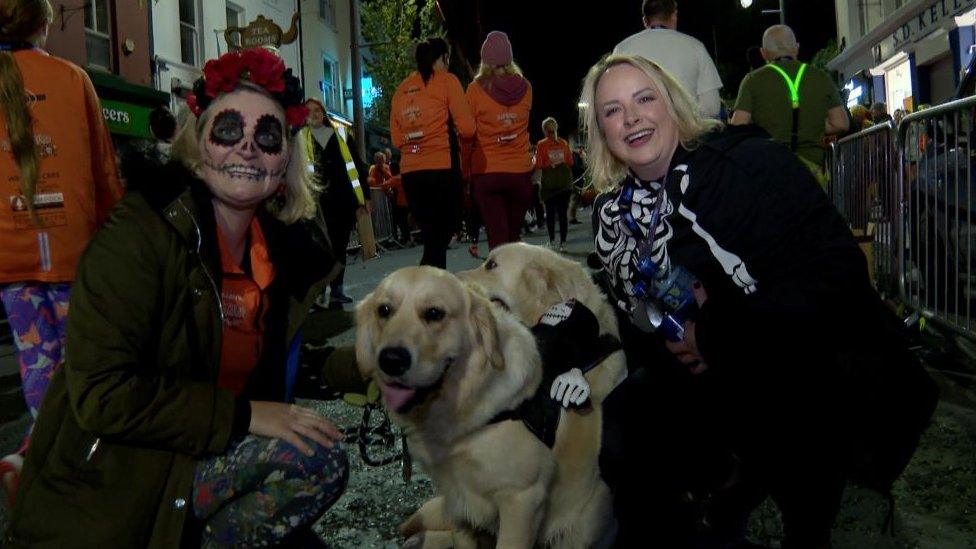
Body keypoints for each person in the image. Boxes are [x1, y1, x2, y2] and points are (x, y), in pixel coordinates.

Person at [581, 54, 936, 548]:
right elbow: (636, 312)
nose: (633, 117)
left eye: (645, 99)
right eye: (613, 110)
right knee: (622, 427)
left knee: (784, 408)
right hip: (708, 371)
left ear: (672, 105)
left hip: (809, 360)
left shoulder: (746, 165)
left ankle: (806, 523)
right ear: (602, 132)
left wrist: (714, 331)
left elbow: (835, 280)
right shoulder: (615, 218)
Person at [7, 48, 350, 546]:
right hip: (123, 480)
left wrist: (374, 364)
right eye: (229, 129)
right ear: (198, 138)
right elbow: (102, 394)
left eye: (268, 134)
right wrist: (247, 416)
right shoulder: (139, 235)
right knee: (313, 459)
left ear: (286, 158)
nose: (248, 147)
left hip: (204, 455)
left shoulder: (273, 249)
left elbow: (259, 360)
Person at [0, 0, 123, 505]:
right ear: (44, 25)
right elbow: (104, 171)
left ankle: (40, 455)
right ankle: (73, 463)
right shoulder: (73, 80)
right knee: (84, 368)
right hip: (76, 253)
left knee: (38, 369)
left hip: (12, 260)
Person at [390, 37, 476, 268]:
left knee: (432, 238)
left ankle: (431, 288)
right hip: (442, 168)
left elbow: (397, 140)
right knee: (441, 236)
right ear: (444, 58)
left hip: (412, 173)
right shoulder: (447, 81)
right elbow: (468, 129)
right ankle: (427, 289)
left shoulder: (401, 90)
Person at [731, 24, 849, 186]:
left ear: (763, 53)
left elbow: (738, 128)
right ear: (796, 48)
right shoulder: (820, 77)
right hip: (812, 172)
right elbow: (841, 123)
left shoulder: (753, 81)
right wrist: (812, 126)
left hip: (770, 171)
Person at [465, 30, 534, 251]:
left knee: (497, 239)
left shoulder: (475, 90)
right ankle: (514, 283)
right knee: (512, 239)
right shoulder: (526, 88)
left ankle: (499, 283)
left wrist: (465, 169)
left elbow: (467, 132)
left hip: (488, 172)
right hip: (520, 173)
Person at [303, 98, 371, 309]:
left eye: (317, 110)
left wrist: (365, 197)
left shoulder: (341, 135)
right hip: (317, 203)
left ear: (324, 113)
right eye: (309, 111)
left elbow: (358, 167)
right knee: (320, 247)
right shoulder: (300, 138)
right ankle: (320, 290)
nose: (313, 114)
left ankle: (337, 289)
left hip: (342, 200)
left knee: (339, 245)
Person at [613, 0, 723, 118]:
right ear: (674, 15)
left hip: (642, 131)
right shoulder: (695, 47)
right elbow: (712, 107)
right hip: (687, 132)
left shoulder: (622, 50)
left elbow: (615, 100)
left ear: (645, 20)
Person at [535, 117, 573, 251]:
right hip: (565, 182)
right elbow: (570, 162)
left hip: (549, 184)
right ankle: (563, 243)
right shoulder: (564, 143)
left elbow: (539, 164)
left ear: (544, 131)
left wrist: (550, 164)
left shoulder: (541, 145)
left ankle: (552, 241)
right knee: (563, 214)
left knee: (550, 214)